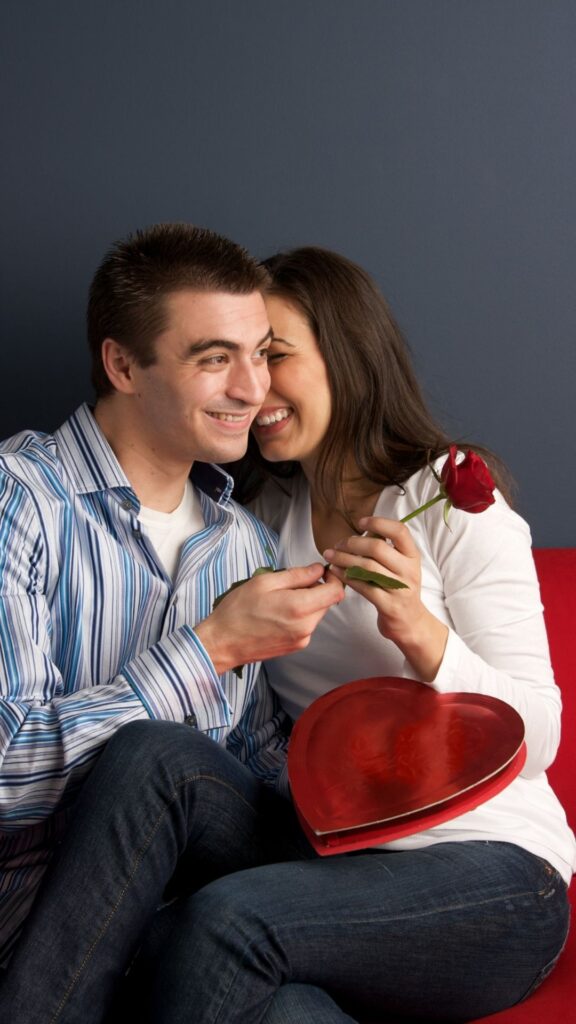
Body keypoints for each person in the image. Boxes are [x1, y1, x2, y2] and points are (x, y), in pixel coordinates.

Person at [136, 246, 576, 1023]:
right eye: (238, 359)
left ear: (344, 355)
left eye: (275, 356)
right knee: (273, 1001)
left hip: (494, 874)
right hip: (338, 867)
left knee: (227, 921)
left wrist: (420, 630)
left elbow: (538, 733)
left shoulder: (446, 496)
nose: (255, 386)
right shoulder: (262, 524)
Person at [0, 226, 344, 1022]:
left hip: (185, 930)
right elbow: (6, 770)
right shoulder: (21, 502)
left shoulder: (245, 544)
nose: (252, 388)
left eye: (261, 353)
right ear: (123, 365)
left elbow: (244, 765)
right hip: (31, 934)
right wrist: (210, 648)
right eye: (214, 358)